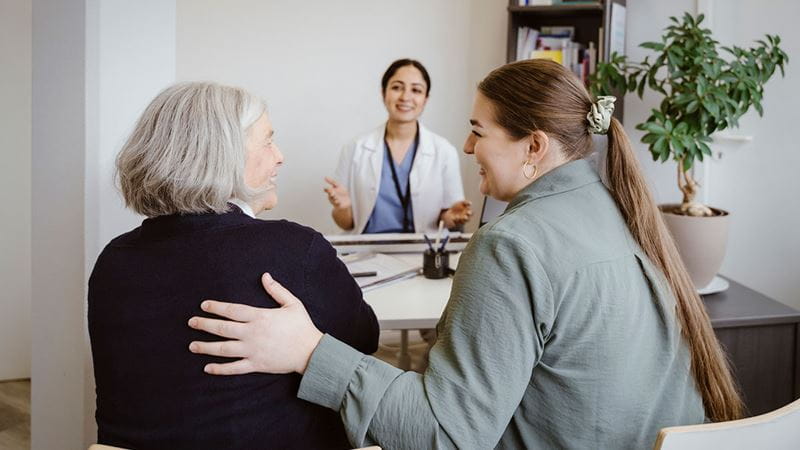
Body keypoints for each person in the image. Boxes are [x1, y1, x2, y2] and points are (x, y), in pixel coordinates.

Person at [187, 60, 743, 449]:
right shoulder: (625, 212)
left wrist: (311, 352)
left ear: (534, 147)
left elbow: (448, 434)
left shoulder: (512, 244)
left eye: (478, 131)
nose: (469, 146)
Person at [88, 82, 379, 450]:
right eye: (268, 141)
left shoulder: (113, 261)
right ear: (225, 154)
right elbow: (366, 337)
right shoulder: (294, 250)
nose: (280, 156)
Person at [324, 58, 472, 234]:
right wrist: (343, 207)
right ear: (383, 92)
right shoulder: (355, 148)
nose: (405, 97)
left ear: (425, 99)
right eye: (396, 87)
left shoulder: (444, 151)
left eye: (416, 90)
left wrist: (454, 217)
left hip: (422, 251)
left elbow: (447, 218)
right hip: (367, 252)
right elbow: (346, 224)